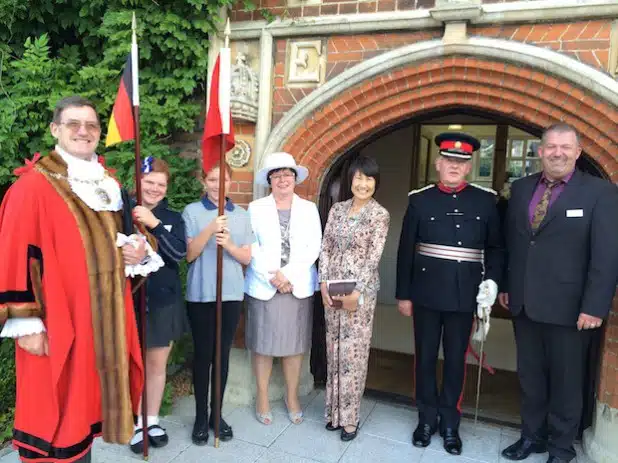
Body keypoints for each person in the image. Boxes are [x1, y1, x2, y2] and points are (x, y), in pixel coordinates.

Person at [0, 96, 156, 463]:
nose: (83, 131)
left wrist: (138, 251)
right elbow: (13, 255)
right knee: (56, 419)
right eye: (73, 124)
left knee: (84, 415)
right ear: (55, 129)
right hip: (58, 321)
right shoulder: (32, 187)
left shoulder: (107, 184)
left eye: (91, 125)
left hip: (100, 322)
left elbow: (122, 240)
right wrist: (26, 323)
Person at [498, 123, 618, 463]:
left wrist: (594, 306)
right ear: (540, 151)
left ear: (578, 152)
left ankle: (561, 448)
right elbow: (515, 244)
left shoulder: (600, 193)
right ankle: (531, 437)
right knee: (530, 378)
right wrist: (507, 285)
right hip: (524, 303)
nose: (557, 153)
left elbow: (607, 256)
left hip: (571, 310)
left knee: (566, 384)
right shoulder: (520, 189)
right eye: (551, 146)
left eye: (565, 147)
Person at [396, 132, 504, 455]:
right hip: (426, 294)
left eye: (461, 162)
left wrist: (493, 283)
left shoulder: (486, 202)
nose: (454, 166)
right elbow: (405, 252)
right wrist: (403, 294)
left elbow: (496, 249)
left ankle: (450, 423)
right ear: (438, 163)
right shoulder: (420, 200)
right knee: (425, 359)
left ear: (469, 167)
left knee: (456, 361)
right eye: (449, 161)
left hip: (464, 296)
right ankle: (426, 419)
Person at [244, 152, 322, 426]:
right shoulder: (256, 208)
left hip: (297, 286)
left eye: (287, 174)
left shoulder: (309, 209)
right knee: (263, 345)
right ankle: (262, 397)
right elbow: (251, 245)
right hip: (264, 285)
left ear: (295, 178)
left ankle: (292, 397)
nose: (282, 179)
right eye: (276, 175)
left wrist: (287, 275)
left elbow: (314, 246)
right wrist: (273, 276)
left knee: (294, 346)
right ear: (269, 180)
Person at [318, 155, 390, 442]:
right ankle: (333, 414)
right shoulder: (337, 209)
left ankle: (350, 418)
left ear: (375, 183)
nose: (362, 184)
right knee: (333, 349)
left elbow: (374, 256)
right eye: (358, 178)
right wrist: (322, 283)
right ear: (351, 180)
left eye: (368, 179)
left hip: (360, 292)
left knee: (353, 355)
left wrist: (356, 291)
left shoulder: (379, 214)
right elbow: (326, 247)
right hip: (332, 285)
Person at [182, 161, 253, 445]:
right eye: (212, 179)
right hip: (201, 294)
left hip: (231, 294)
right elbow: (189, 255)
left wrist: (231, 244)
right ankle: (200, 416)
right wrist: (211, 228)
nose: (217, 185)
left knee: (221, 357)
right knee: (203, 357)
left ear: (230, 182)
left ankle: (216, 415)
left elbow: (246, 258)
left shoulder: (242, 215)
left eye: (222, 179)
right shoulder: (192, 211)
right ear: (204, 182)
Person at [129, 157, 187, 453]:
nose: (154, 188)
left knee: (156, 365)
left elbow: (178, 253)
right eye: (149, 182)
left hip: (162, 300)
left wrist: (155, 225)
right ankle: (131, 423)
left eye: (160, 184)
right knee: (130, 364)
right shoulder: (121, 213)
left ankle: (149, 420)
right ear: (138, 181)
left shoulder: (173, 217)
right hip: (127, 301)